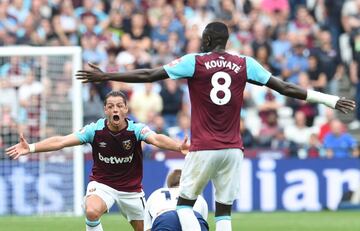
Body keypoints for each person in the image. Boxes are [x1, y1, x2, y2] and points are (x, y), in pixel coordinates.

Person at [76, 22, 355, 231]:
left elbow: (150, 74)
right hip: (234, 149)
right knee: (223, 213)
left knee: (184, 205)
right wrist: (329, 100)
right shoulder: (245, 63)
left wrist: (107, 75)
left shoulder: (194, 62)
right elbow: (285, 87)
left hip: (203, 147)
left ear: (208, 39)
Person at [6, 91, 189, 231]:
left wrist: (178, 146)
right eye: (110, 106)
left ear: (126, 109)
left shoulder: (136, 129)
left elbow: (156, 139)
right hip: (103, 185)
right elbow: (61, 141)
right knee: (92, 211)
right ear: (105, 110)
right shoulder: (94, 130)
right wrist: (31, 147)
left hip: (131, 190)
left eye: (119, 106)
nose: (115, 109)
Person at [144, 169, 209, 231]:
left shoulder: (156, 193)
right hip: (194, 215)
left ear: (168, 183)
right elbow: (202, 222)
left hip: (166, 219)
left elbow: (148, 229)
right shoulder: (198, 197)